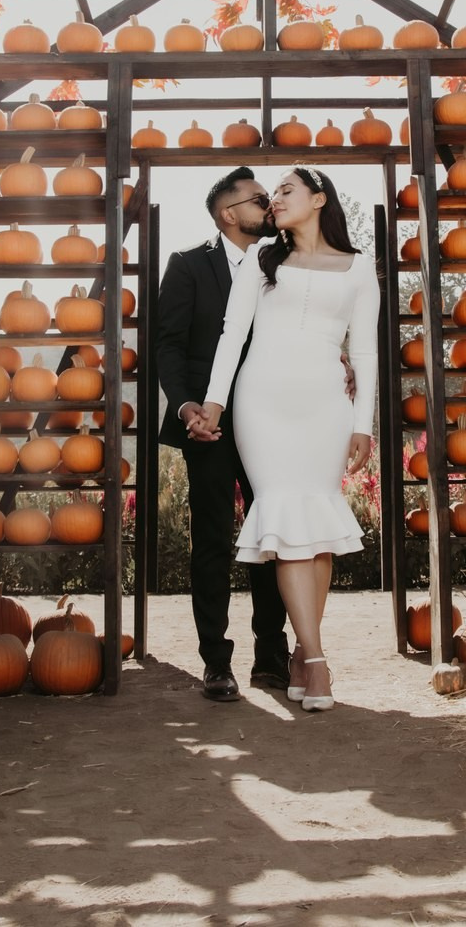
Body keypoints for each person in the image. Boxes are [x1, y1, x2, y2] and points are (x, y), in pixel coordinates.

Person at [194, 166, 379, 713]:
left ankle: (302, 651)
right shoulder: (261, 259)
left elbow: (364, 352)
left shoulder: (360, 267)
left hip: (326, 405)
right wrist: (214, 403)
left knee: (316, 529)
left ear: (319, 199)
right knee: (285, 516)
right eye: (270, 193)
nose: (274, 200)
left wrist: (362, 422)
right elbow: (231, 335)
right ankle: (316, 659)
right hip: (263, 403)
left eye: (285, 190)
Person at [155, 168, 291, 702]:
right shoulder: (188, 266)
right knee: (212, 539)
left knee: (271, 538)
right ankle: (216, 661)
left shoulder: (285, 263)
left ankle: (272, 659)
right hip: (207, 426)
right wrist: (188, 407)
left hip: (274, 422)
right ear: (229, 214)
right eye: (259, 200)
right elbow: (170, 345)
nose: (270, 207)